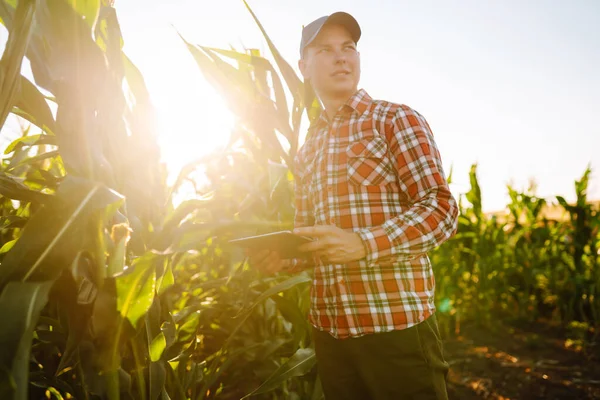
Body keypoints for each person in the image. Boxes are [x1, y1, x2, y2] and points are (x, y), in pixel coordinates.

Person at [249, 11, 459, 400]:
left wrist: (364, 243)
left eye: (349, 48)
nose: (342, 57)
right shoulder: (309, 147)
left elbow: (441, 210)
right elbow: (312, 239)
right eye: (326, 50)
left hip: (396, 331)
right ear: (304, 66)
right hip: (331, 334)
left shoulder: (395, 120)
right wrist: (284, 258)